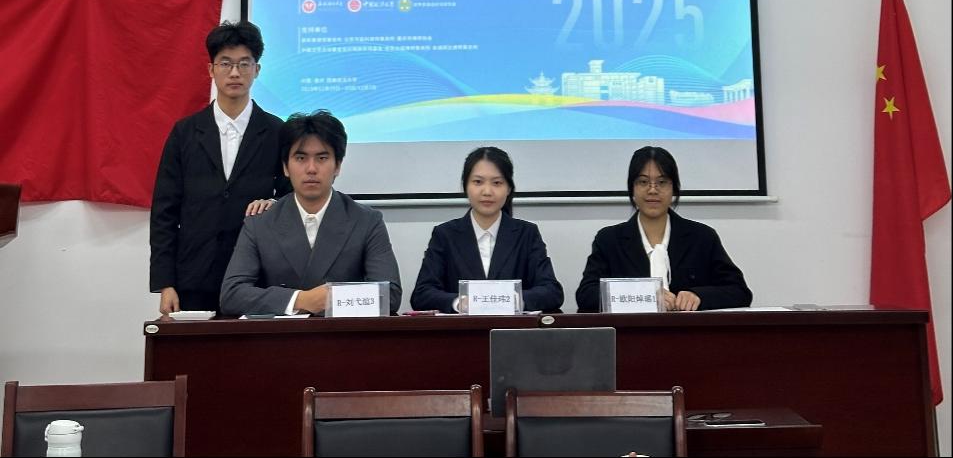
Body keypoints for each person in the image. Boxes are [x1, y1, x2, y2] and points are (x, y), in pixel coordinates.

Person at [150, 20, 289, 315]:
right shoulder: (185, 132)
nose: (235, 73)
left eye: (244, 64)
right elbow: (164, 213)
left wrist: (274, 204)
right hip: (194, 277)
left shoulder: (277, 132)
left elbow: (293, 199)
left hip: (258, 278)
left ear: (257, 70)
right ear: (211, 69)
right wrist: (165, 283)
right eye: (225, 63)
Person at [219, 110, 402, 316]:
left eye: (322, 158)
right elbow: (232, 295)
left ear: (337, 166)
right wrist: (301, 300)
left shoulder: (366, 220)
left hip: (343, 334)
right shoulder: (260, 223)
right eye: (300, 158)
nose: (311, 169)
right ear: (285, 167)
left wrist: (330, 299)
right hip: (282, 335)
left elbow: (389, 294)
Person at [575, 145, 752, 313]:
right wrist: (644, 297)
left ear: (674, 188)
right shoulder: (609, 240)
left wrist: (699, 296)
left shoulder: (702, 237)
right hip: (631, 332)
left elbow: (739, 291)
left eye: (662, 182)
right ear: (632, 189)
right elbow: (586, 295)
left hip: (690, 332)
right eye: (643, 182)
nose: (653, 190)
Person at [410, 145, 563, 313]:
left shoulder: (527, 233)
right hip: (462, 329)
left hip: (512, 328)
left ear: (509, 188)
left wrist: (512, 300)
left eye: (497, 183)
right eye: (478, 182)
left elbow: (552, 292)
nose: (487, 191)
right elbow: (422, 294)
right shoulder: (445, 234)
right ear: (465, 186)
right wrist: (460, 303)